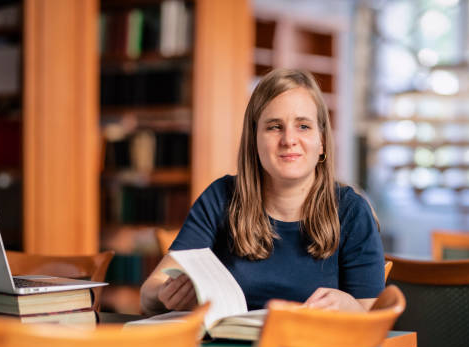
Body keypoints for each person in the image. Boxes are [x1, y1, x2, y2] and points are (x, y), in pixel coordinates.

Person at [140, 68, 384, 315]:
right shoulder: (221, 197)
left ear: (321, 141)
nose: (289, 139)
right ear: (254, 140)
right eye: (274, 127)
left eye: (303, 126)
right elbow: (150, 291)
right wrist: (165, 296)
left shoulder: (352, 211)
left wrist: (348, 306)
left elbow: (372, 316)